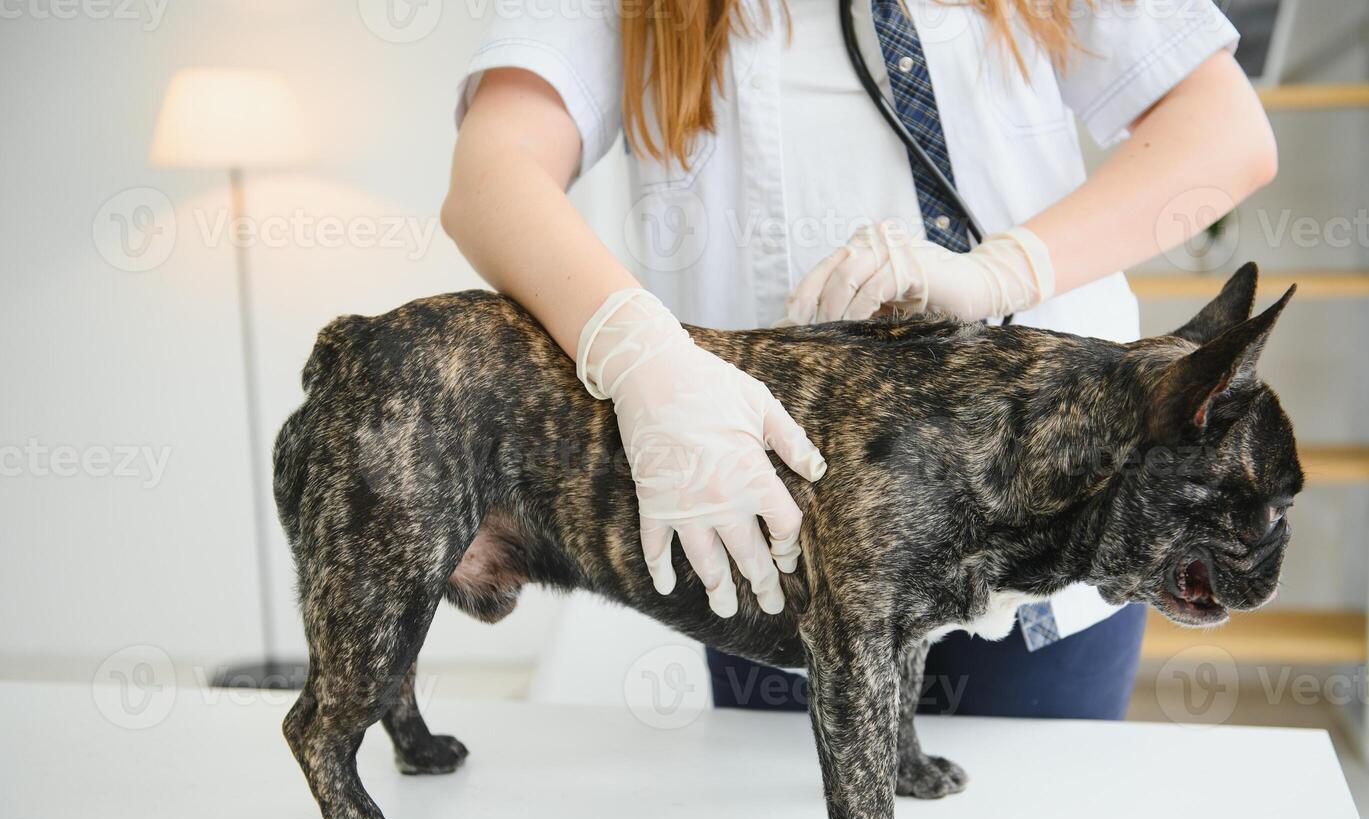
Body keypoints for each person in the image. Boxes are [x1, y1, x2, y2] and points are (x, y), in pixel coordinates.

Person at [441, 0, 1277, 719]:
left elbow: (1223, 132)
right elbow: (492, 172)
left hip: (1068, 514)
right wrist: (641, 353)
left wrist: (1004, 268)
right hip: (777, 525)